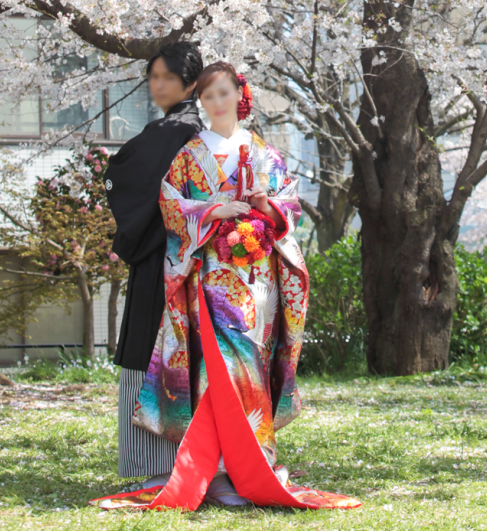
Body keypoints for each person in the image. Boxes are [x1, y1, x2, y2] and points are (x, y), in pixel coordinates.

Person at [95, 61, 358, 513]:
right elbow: (171, 206)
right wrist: (213, 211)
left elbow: (288, 204)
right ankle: (215, 472)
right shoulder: (190, 154)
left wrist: (264, 210)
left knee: (250, 371)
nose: (217, 103)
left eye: (224, 93)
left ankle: (252, 466)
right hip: (210, 280)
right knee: (213, 372)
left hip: (257, 284)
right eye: (208, 96)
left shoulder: (263, 152)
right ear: (201, 102)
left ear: (240, 94)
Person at [104, 40, 204, 487]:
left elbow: (124, 172)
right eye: (154, 76)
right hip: (191, 261)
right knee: (186, 356)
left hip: (161, 259)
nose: (157, 85)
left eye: (167, 77)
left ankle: (152, 467)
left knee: (150, 350)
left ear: (191, 83)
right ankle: (191, 463)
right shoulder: (191, 130)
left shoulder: (173, 131)